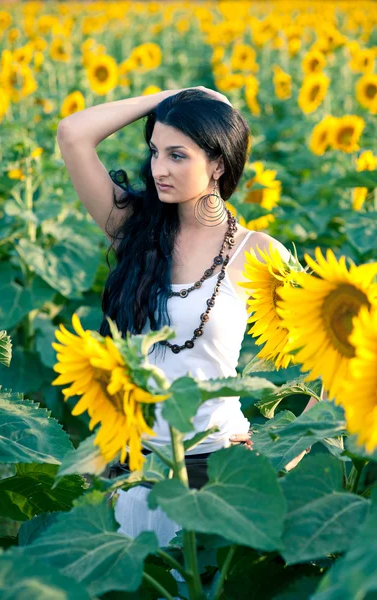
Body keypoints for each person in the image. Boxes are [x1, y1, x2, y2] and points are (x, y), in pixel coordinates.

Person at [56, 86, 293, 549]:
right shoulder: (133, 228)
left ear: (218, 164)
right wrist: (175, 96)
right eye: (154, 152)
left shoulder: (258, 253)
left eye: (178, 155)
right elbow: (73, 134)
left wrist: (288, 454)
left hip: (220, 470)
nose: (159, 168)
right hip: (134, 468)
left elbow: (325, 360)